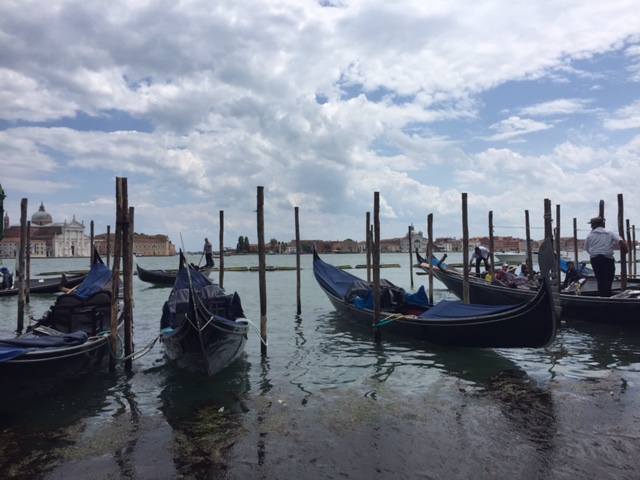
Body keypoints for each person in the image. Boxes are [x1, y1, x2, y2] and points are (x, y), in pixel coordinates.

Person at [584, 216, 628, 297]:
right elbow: (621, 242)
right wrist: (626, 251)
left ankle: (602, 295)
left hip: (595, 259)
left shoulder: (589, 236)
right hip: (607, 258)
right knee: (608, 278)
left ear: (593, 225)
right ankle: (607, 295)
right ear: (602, 224)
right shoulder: (609, 233)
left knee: (600, 279)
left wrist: (594, 254)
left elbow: (587, 248)